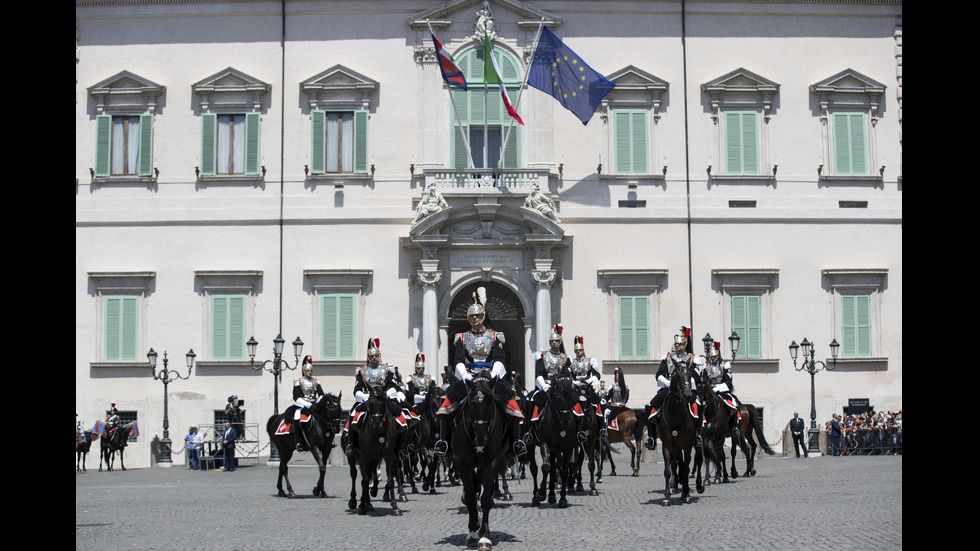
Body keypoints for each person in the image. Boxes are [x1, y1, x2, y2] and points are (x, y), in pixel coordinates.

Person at [434, 292, 527, 458]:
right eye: (472, 316)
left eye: (477, 316)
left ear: (483, 316)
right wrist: (465, 375)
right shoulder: (461, 338)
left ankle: (515, 442)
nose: (475, 319)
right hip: (469, 376)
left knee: (512, 402)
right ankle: (444, 442)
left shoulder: (494, 336)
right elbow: (458, 360)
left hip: (490, 377)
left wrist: (493, 375)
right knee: (446, 402)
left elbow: (500, 358)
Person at [345, 338, 407, 457]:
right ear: (368, 357)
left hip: (384, 400)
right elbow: (357, 388)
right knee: (353, 416)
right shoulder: (362, 371)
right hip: (369, 400)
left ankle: (401, 447)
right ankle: (351, 445)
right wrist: (364, 396)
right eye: (371, 356)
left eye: (376, 355)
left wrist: (386, 394)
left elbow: (393, 385)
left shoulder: (386, 369)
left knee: (403, 419)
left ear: (379, 356)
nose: (374, 358)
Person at [645, 326, 702, 449]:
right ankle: (651, 437)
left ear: (685, 344)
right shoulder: (667, 357)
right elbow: (659, 373)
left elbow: (697, 376)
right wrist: (667, 383)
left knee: (698, 405)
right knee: (653, 404)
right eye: (676, 344)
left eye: (680, 344)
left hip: (686, 388)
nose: (677, 346)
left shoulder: (692, 358)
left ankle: (698, 435)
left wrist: (686, 384)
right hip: (670, 388)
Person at [702, 341, 741, 436]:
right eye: (711, 357)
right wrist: (709, 389)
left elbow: (728, 380)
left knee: (733, 403)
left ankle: (735, 427)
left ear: (718, 355)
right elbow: (704, 379)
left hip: (722, 390)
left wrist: (718, 388)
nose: (713, 358)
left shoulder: (725, 365)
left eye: (715, 356)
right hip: (709, 391)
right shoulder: (706, 366)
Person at [286, 356, 325, 451]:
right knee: (296, 417)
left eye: (311, 370)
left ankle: (327, 439)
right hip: (303, 404)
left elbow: (321, 394)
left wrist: (318, 402)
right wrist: (305, 404)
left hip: (314, 404)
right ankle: (298, 442)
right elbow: (296, 396)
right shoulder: (298, 381)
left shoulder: (316, 381)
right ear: (304, 371)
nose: (310, 372)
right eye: (308, 371)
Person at [569, 335, 604, 435]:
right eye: (576, 350)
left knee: (600, 402)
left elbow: (597, 375)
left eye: (580, 350)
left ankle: (601, 429)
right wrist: (574, 383)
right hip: (576, 388)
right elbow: (570, 375)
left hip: (587, 388)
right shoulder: (572, 361)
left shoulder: (590, 361)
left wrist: (588, 382)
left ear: (583, 350)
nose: (578, 352)